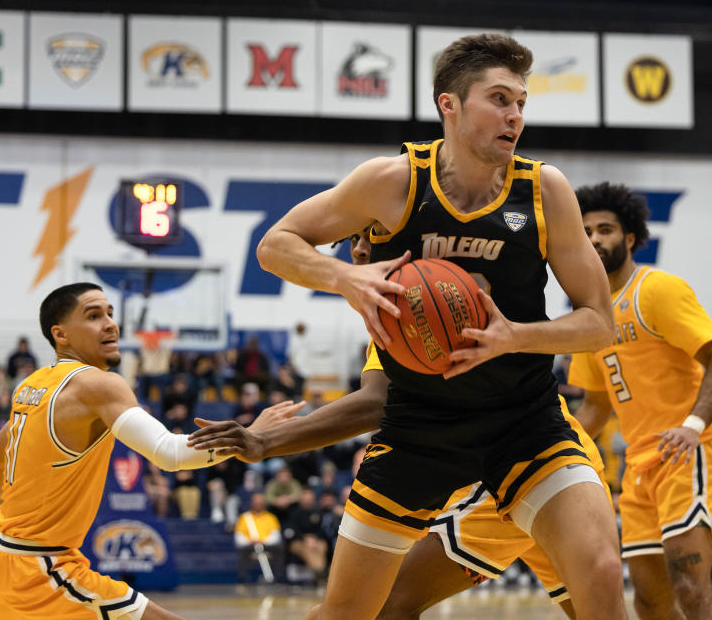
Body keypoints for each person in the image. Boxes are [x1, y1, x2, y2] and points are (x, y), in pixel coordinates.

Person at [254, 32, 625, 620]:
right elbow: (276, 245)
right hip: (419, 425)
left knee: (602, 573)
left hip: (523, 422)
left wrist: (517, 335)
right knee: (350, 613)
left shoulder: (544, 189)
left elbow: (599, 325)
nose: (515, 116)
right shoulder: (393, 182)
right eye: (499, 99)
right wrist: (345, 278)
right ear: (448, 105)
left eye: (522, 103)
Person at [189, 225, 615, 619]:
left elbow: (373, 403)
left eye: (370, 235)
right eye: (351, 240)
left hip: (520, 466)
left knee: (381, 607)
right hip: (535, 467)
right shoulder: (403, 309)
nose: (358, 248)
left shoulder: (430, 302)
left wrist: (267, 442)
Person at [0, 282, 291, 620]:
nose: (110, 323)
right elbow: (170, 453)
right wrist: (251, 435)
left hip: (3, 548)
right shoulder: (98, 385)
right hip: (43, 566)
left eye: (110, 313)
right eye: (93, 315)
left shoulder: (33, 384)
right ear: (61, 334)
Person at [568, 182, 712, 620]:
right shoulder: (588, 316)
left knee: (691, 589)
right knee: (649, 601)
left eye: (605, 229)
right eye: (585, 231)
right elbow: (594, 408)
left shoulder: (657, 289)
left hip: (688, 452)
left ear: (630, 238)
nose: (594, 239)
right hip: (639, 467)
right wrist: (548, 448)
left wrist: (692, 426)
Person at [234, 492, 283, 584]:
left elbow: (276, 537)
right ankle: (243, 580)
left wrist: (263, 541)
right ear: (252, 503)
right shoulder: (245, 517)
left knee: (279, 550)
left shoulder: (271, 518)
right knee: (243, 552)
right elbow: (239, 537)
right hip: (250, 545)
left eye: (260, 502)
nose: (258, 504)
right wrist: (250, 541)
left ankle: (278, 579)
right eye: (256, 502)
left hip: (267, 545)